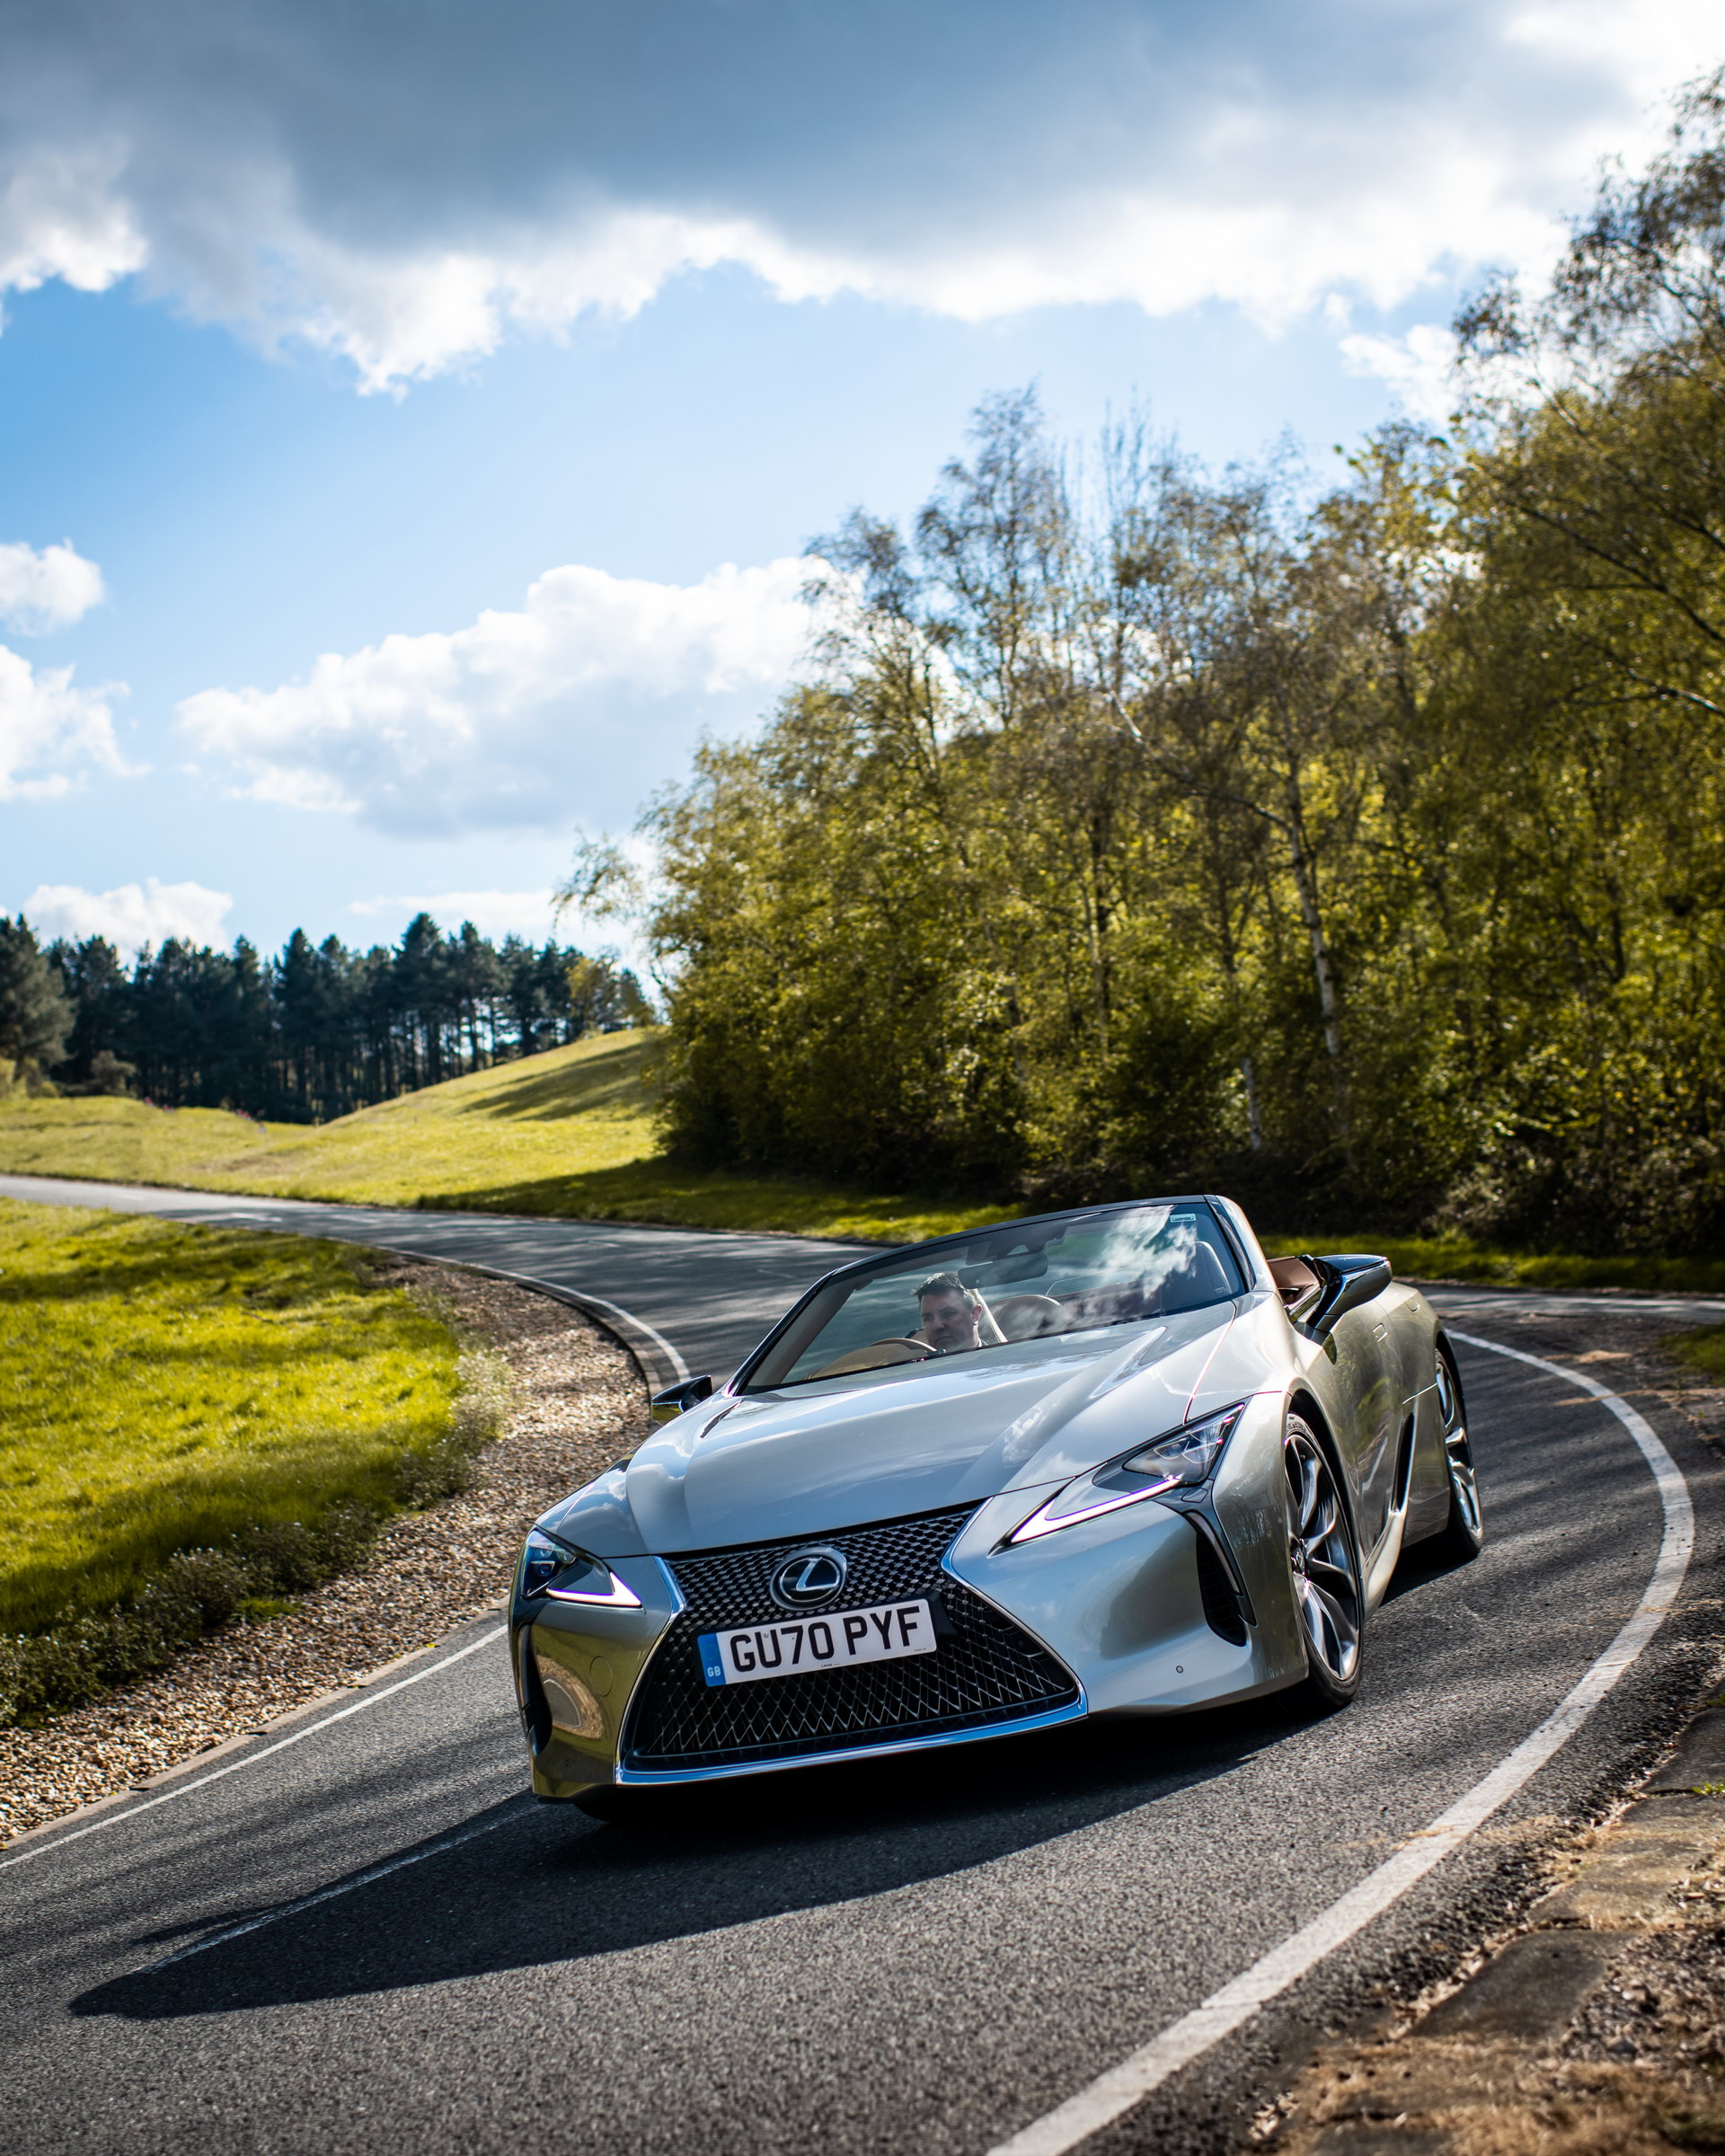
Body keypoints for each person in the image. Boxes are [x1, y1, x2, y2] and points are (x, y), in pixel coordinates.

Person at [912, 1271, 1004, 1354]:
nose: (937, 1326)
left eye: (948, 1314)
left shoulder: (1003, 1363)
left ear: (975, 1314)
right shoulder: (912, 1366)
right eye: (928, 1318)